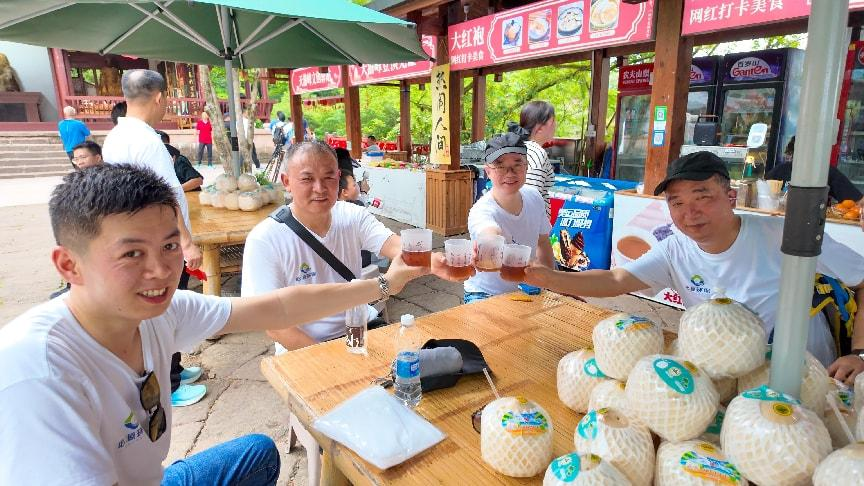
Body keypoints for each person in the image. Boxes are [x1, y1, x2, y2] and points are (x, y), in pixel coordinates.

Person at [0, 164, 425, 484]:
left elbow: (278, 307)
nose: (161, 271)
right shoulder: (39, 373)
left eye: (169, 246)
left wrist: (384, 285)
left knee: (258, 454)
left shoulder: (162, 312)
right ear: (68, 265)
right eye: (132, 254)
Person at [525, 151, 864, 383]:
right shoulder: (676, 249)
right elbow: (617, 279)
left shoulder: (783, 236)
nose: (690, 213)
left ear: (730, 197)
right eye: (678, 202)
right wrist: (549, 278)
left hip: (801, 373)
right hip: (721, 373)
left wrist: (860, 355)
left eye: (703, 197)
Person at [242, 142, 450, 353]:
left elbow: (394, 245)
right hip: (305, 345)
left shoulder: (352, 215)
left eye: (328, 177)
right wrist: (330, 361)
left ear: (338, 176)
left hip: (356, 328)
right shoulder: (265, 239)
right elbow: (274, 325)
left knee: (421, 361)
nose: (319, 188)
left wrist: (434, 261)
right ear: (286, 181)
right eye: (307, 179)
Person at [102, 69, 202, 272]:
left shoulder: (114, 136)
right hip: (161, 238)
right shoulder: (148, 141)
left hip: (135, 232)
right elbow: (167, 195)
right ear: (158, 98)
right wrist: (186, 244)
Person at [463, 129, 555, 303]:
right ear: (488, 171)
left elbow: (543, 242)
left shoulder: (534, 197)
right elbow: (490, 233)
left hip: (527, 282)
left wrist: (553, 281)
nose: (510, 173)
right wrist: (488, 245)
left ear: (526, 167)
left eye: (517, 164)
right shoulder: (481, 210)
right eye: (500, 165)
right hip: (485, 293)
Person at [767, 136, 864, 217]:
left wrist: (846, 213)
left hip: (814, 225)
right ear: (792, 153)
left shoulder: (826, 171)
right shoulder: (780, 171)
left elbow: (859, 202)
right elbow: (762, 196)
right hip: (781, 221)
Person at [519, 101, 557, 219]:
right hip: (530, 225)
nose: (555, 125)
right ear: (539, 128)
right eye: (553, 121)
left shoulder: (521, 147)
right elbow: (530, 199)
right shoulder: (536, 153)